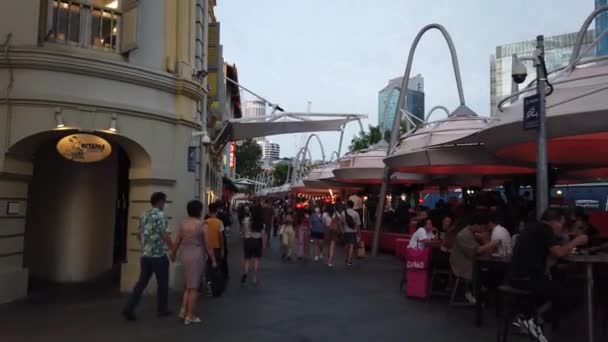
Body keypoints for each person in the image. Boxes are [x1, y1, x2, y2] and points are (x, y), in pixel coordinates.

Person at [509, 208, 588, 341]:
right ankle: (536, 321)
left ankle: (527, 317)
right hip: (528, 279)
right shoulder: (545, 229)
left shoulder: (532, 228)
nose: (562, 229)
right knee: (573, 295)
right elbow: (559, 253)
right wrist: (577, 240)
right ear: (557, 221)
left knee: (557, 287)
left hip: (516, 278)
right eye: (562, 225)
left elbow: (547, 259)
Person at [122, 192, 174, 321]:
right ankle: (162, 309)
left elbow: (139, 235)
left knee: (141, 284)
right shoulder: (161, 216)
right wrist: (173, 249)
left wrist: (146, 246)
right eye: (164, 202)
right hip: (159, 256)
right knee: (162, 283)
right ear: (160, 201)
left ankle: (129, 308)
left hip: (146, 256)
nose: (165, 205)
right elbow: (165, 235)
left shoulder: (144, 215)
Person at [172, 200, 216, 325]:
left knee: (188, 285)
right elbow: (208, 245)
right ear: (199, 211)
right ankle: (190, 315)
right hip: (196, 255)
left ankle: (183, 311)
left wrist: (173, 253)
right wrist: (213, 259)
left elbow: (177, 241)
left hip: (185, 254)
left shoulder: (183, 224)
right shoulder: (202, 225)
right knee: (194, 287)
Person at [449, 212, 496, 304]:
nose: (483, 230)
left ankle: (481, 294)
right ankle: (476, 294)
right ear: (477, 225)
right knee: (486, 271)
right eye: (483, 227)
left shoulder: (472, 233)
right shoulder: (464, 235)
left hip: (469, 260)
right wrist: (491, 243)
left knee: (489, 270)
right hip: (462, 264)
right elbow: (475, 251)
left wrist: (484, 240)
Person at [241, 204, 264, 286]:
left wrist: (243, 236)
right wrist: (263, 245)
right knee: (256, 260)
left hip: (248, 241)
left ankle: (246, 273)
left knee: (247, 259)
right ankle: (254, 277)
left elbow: (243, 232)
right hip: (257, 241)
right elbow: (262, 234)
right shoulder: (260, 222)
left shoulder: (246, 220)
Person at [204, 203, 225, 293]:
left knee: (208, 265)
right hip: (216, 247)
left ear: (209, 211)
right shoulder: (219, 222)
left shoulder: (205, 222)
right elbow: (221, 237)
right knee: (216, 266)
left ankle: (208, 282)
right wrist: (222, 248)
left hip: (206, 247)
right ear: (216, 211)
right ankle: (215, 284)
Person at [343, 200, 361, 267]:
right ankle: (349, 260)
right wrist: (359, 233)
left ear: (347, 205)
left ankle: (347, 257)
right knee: (351, 246)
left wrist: (341, 230)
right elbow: (358, 225)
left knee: (346, 245)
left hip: (345, 231)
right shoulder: (356, 213)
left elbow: (341, 222)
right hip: (353, 232)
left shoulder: (343, 213)